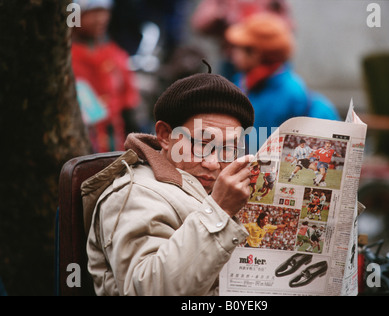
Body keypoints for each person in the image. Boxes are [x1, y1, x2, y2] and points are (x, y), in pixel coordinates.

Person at [83, 69, 256, 296]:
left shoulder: (221, 186)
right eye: (202, 144)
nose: (214, 163)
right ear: (165, 135)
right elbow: (150, 290)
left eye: (229, 149)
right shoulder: (134, 194)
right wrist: (220, 210)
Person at [225, 12, 340, 142]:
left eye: (237, 48)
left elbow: (256, 149)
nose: (232, 54)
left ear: (255, 53)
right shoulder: (246, 83)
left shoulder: (283, 94)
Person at [72, 0, 140, 153]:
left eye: (104, 12)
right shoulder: (67, 58)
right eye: (93, 13)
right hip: (82, 143)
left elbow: (129, 101)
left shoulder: (115, 55)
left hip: (116, 141)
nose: (100, 18)